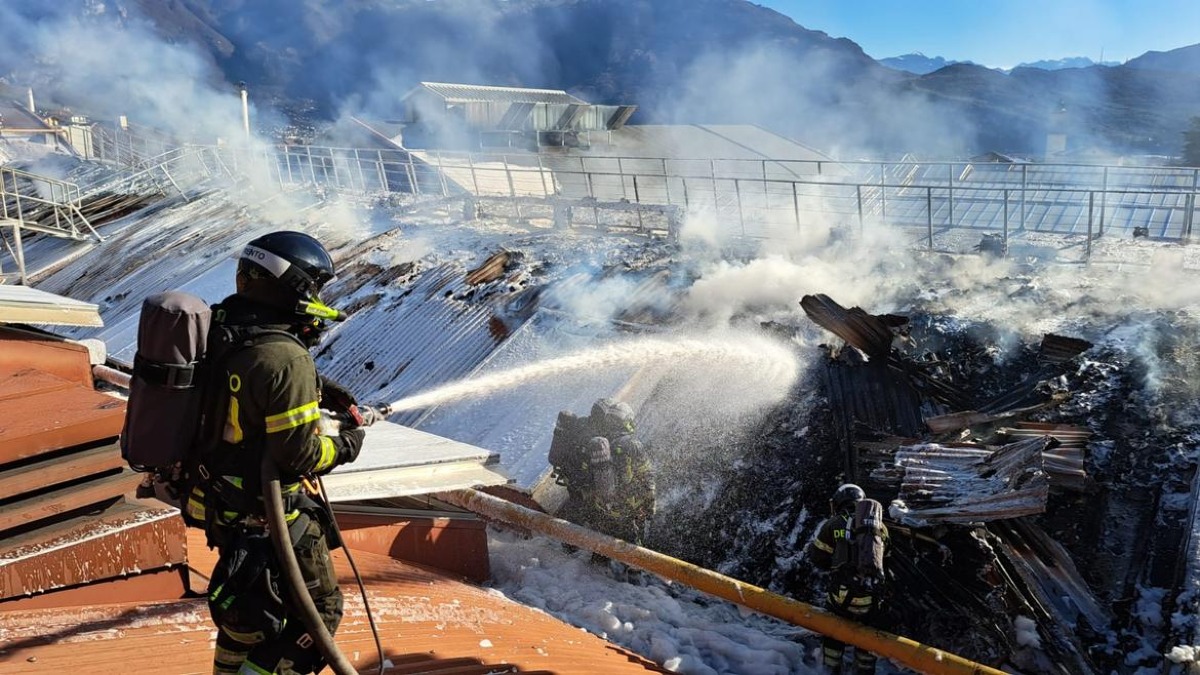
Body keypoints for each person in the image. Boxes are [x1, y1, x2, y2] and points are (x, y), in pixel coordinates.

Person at [186, 230, 366, 675]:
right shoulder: (286, 357)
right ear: (294, 287)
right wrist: (346, 445)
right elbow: (299, 456)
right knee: (318, 613)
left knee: (248, 619)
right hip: (269, 514)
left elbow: (248, 388)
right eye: (315, 287)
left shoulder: (220, 328)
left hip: (219, 501)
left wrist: (321, 390)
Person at [806, 483, 890, 675]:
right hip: (872, 599)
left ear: (838, 503)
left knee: (833, 630)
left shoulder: (834, 524)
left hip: (842, 597)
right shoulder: (881, 528)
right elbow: (887, 560)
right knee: (867, 637)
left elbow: (818, 557)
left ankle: (831, 668)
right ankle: (864, 670)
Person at [555, 398, 656, 545]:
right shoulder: (632, 444)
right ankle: (633, 567)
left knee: (603, 540)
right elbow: (647, 475)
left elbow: (593, 477)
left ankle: (589, 557)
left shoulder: (600, 444)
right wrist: (650, 504)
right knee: (632, 547)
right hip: (627, 510)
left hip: (602, 508)